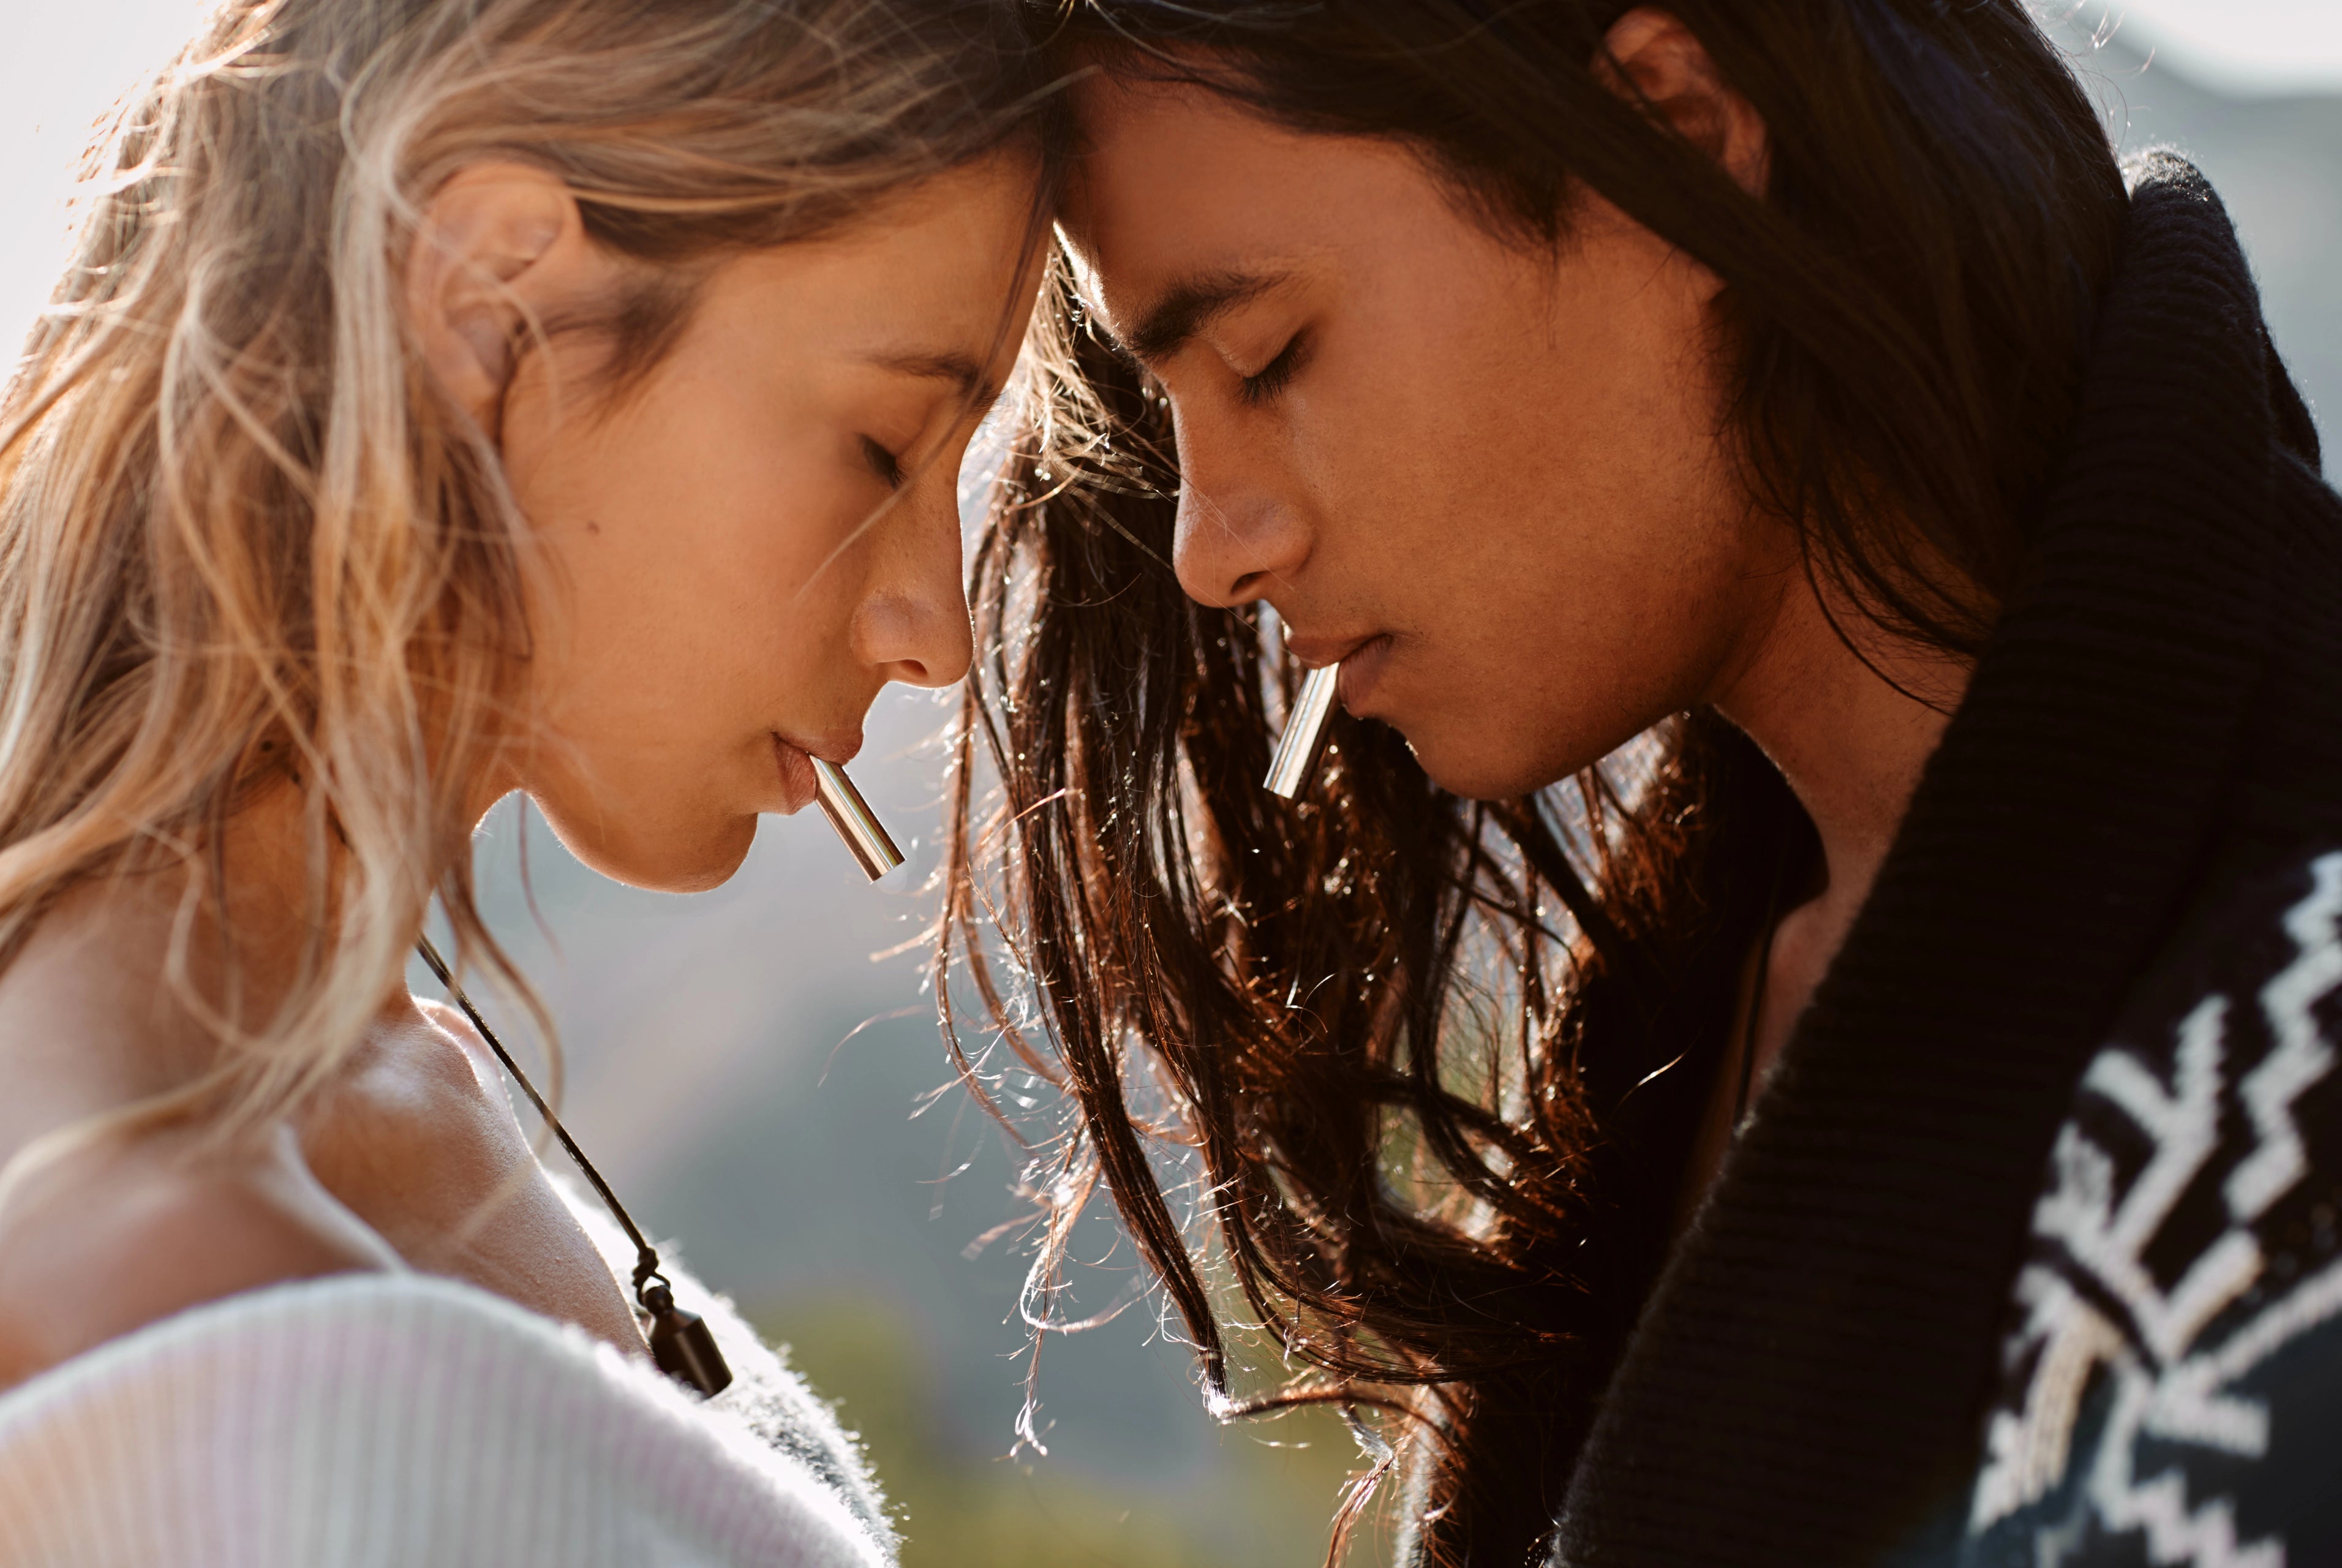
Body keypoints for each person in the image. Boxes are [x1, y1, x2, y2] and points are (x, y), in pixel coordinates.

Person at [938, 2, 2342, 1564]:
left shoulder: (2302, 1022)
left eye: (1271, 354)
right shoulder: (1699, 1013)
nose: (1212, 548)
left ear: (1674, 127)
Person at [0, 0, 1052, 1561]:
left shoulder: (362, 1073)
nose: (933, 634)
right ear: (491, 311)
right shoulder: (192, 1351)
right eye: (885, 445)